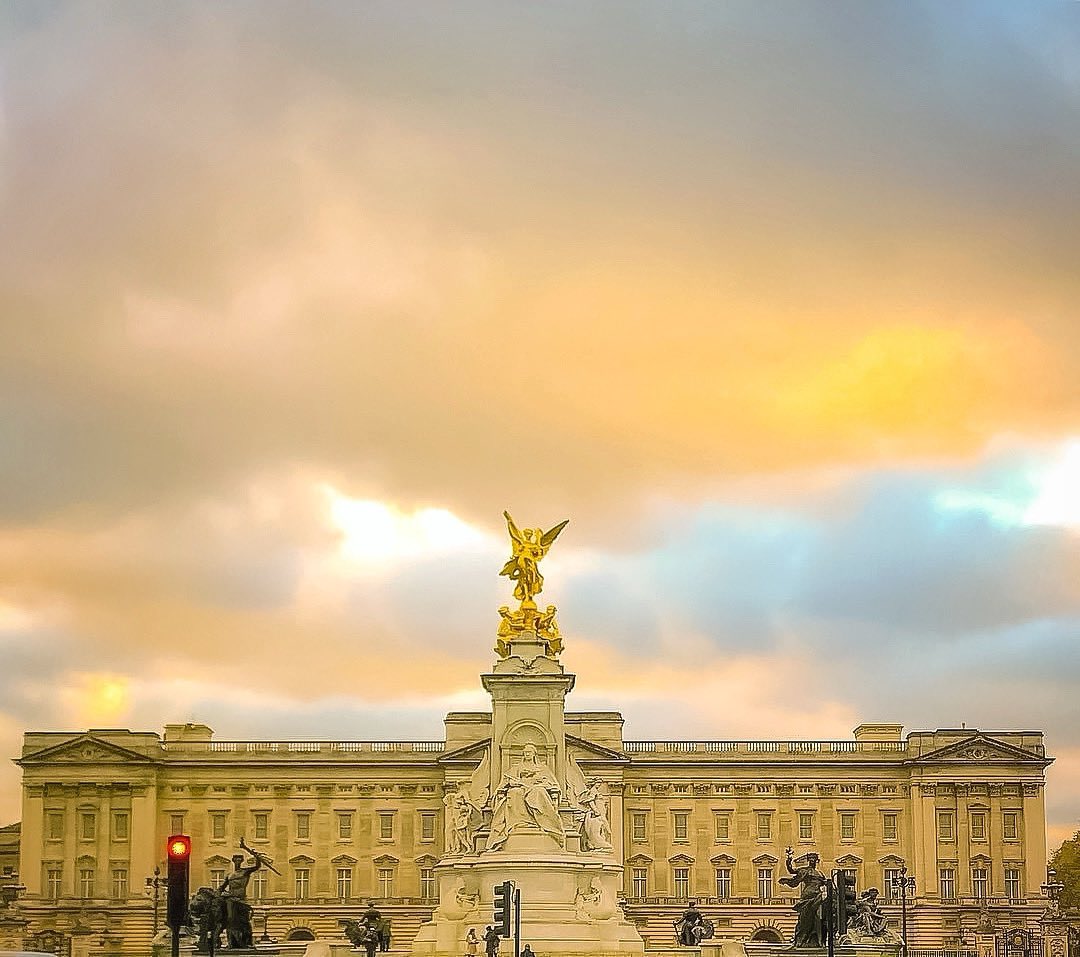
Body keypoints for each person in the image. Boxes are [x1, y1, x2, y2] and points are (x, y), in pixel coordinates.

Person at [488, 744, 564, 850]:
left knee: (538, 792)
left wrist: (538, 782)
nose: (527, 754)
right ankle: (520, 824)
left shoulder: (542, 768)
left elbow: (551, 783)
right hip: (520, 787)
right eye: (525, 752)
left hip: (537, 787)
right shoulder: (517, 767)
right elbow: (508, 781)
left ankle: (544, 822)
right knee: (515, 793)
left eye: (529, 752)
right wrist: (516, 783)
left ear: (534, 754)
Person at [778, 849, 829, 947]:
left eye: (814, 859)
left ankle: (818, 939)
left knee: (819, 917)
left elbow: (825, 883)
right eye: (811, 859)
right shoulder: (805, 870)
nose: (812, 861)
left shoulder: (820, 873)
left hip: (818, 896)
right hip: (807, 896)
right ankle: (802, 938)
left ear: (816, 861)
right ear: (809, 860)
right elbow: (792, 871)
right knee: (805, 918)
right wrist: (788, 860)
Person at [219, 852, 263, 949]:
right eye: (236, 860)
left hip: (241, 900)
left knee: (244, 922)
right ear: (233, 861)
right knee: (230, 920)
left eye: (239, 860)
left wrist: (257, 857)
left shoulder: (245, 872)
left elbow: (257, 866)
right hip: (231, 900)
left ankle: (247, 942)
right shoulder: (229, 875)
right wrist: (222, 893)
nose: (237, 862)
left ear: (242, 861)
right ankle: (231, 942)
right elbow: (221, 887)